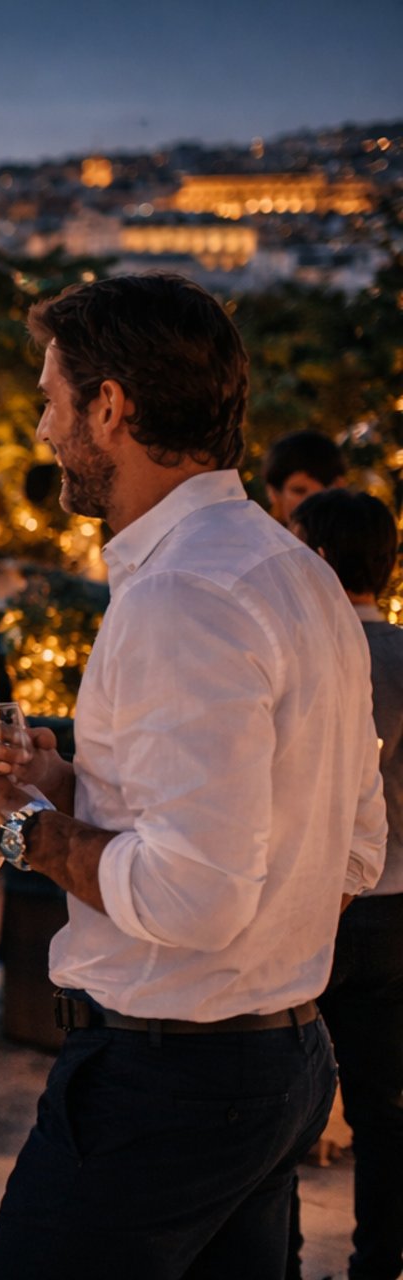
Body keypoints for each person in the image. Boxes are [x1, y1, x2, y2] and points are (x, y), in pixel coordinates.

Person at [0, 274, 380, 1279]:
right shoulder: (294, 570)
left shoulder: (183, 595)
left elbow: (190, 892)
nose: (45, 426)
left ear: (112, 407)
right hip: (279, 1060)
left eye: (54, 400)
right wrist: (79, 786)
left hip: (169, 1082)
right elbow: (354, 844)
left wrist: (20, 822)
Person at [289, 488, 403, 1280]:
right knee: (388, 1111)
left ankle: (280, 1260)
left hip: (314, 910)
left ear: (320, 560)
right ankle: (379, 1263)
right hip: (401, 918)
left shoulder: (306, 658)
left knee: (284, 1104)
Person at [264, 428, 346, 526]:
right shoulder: (253, 539)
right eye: (299, 491)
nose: (313, 504)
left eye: (323, 493)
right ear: (274, 493)